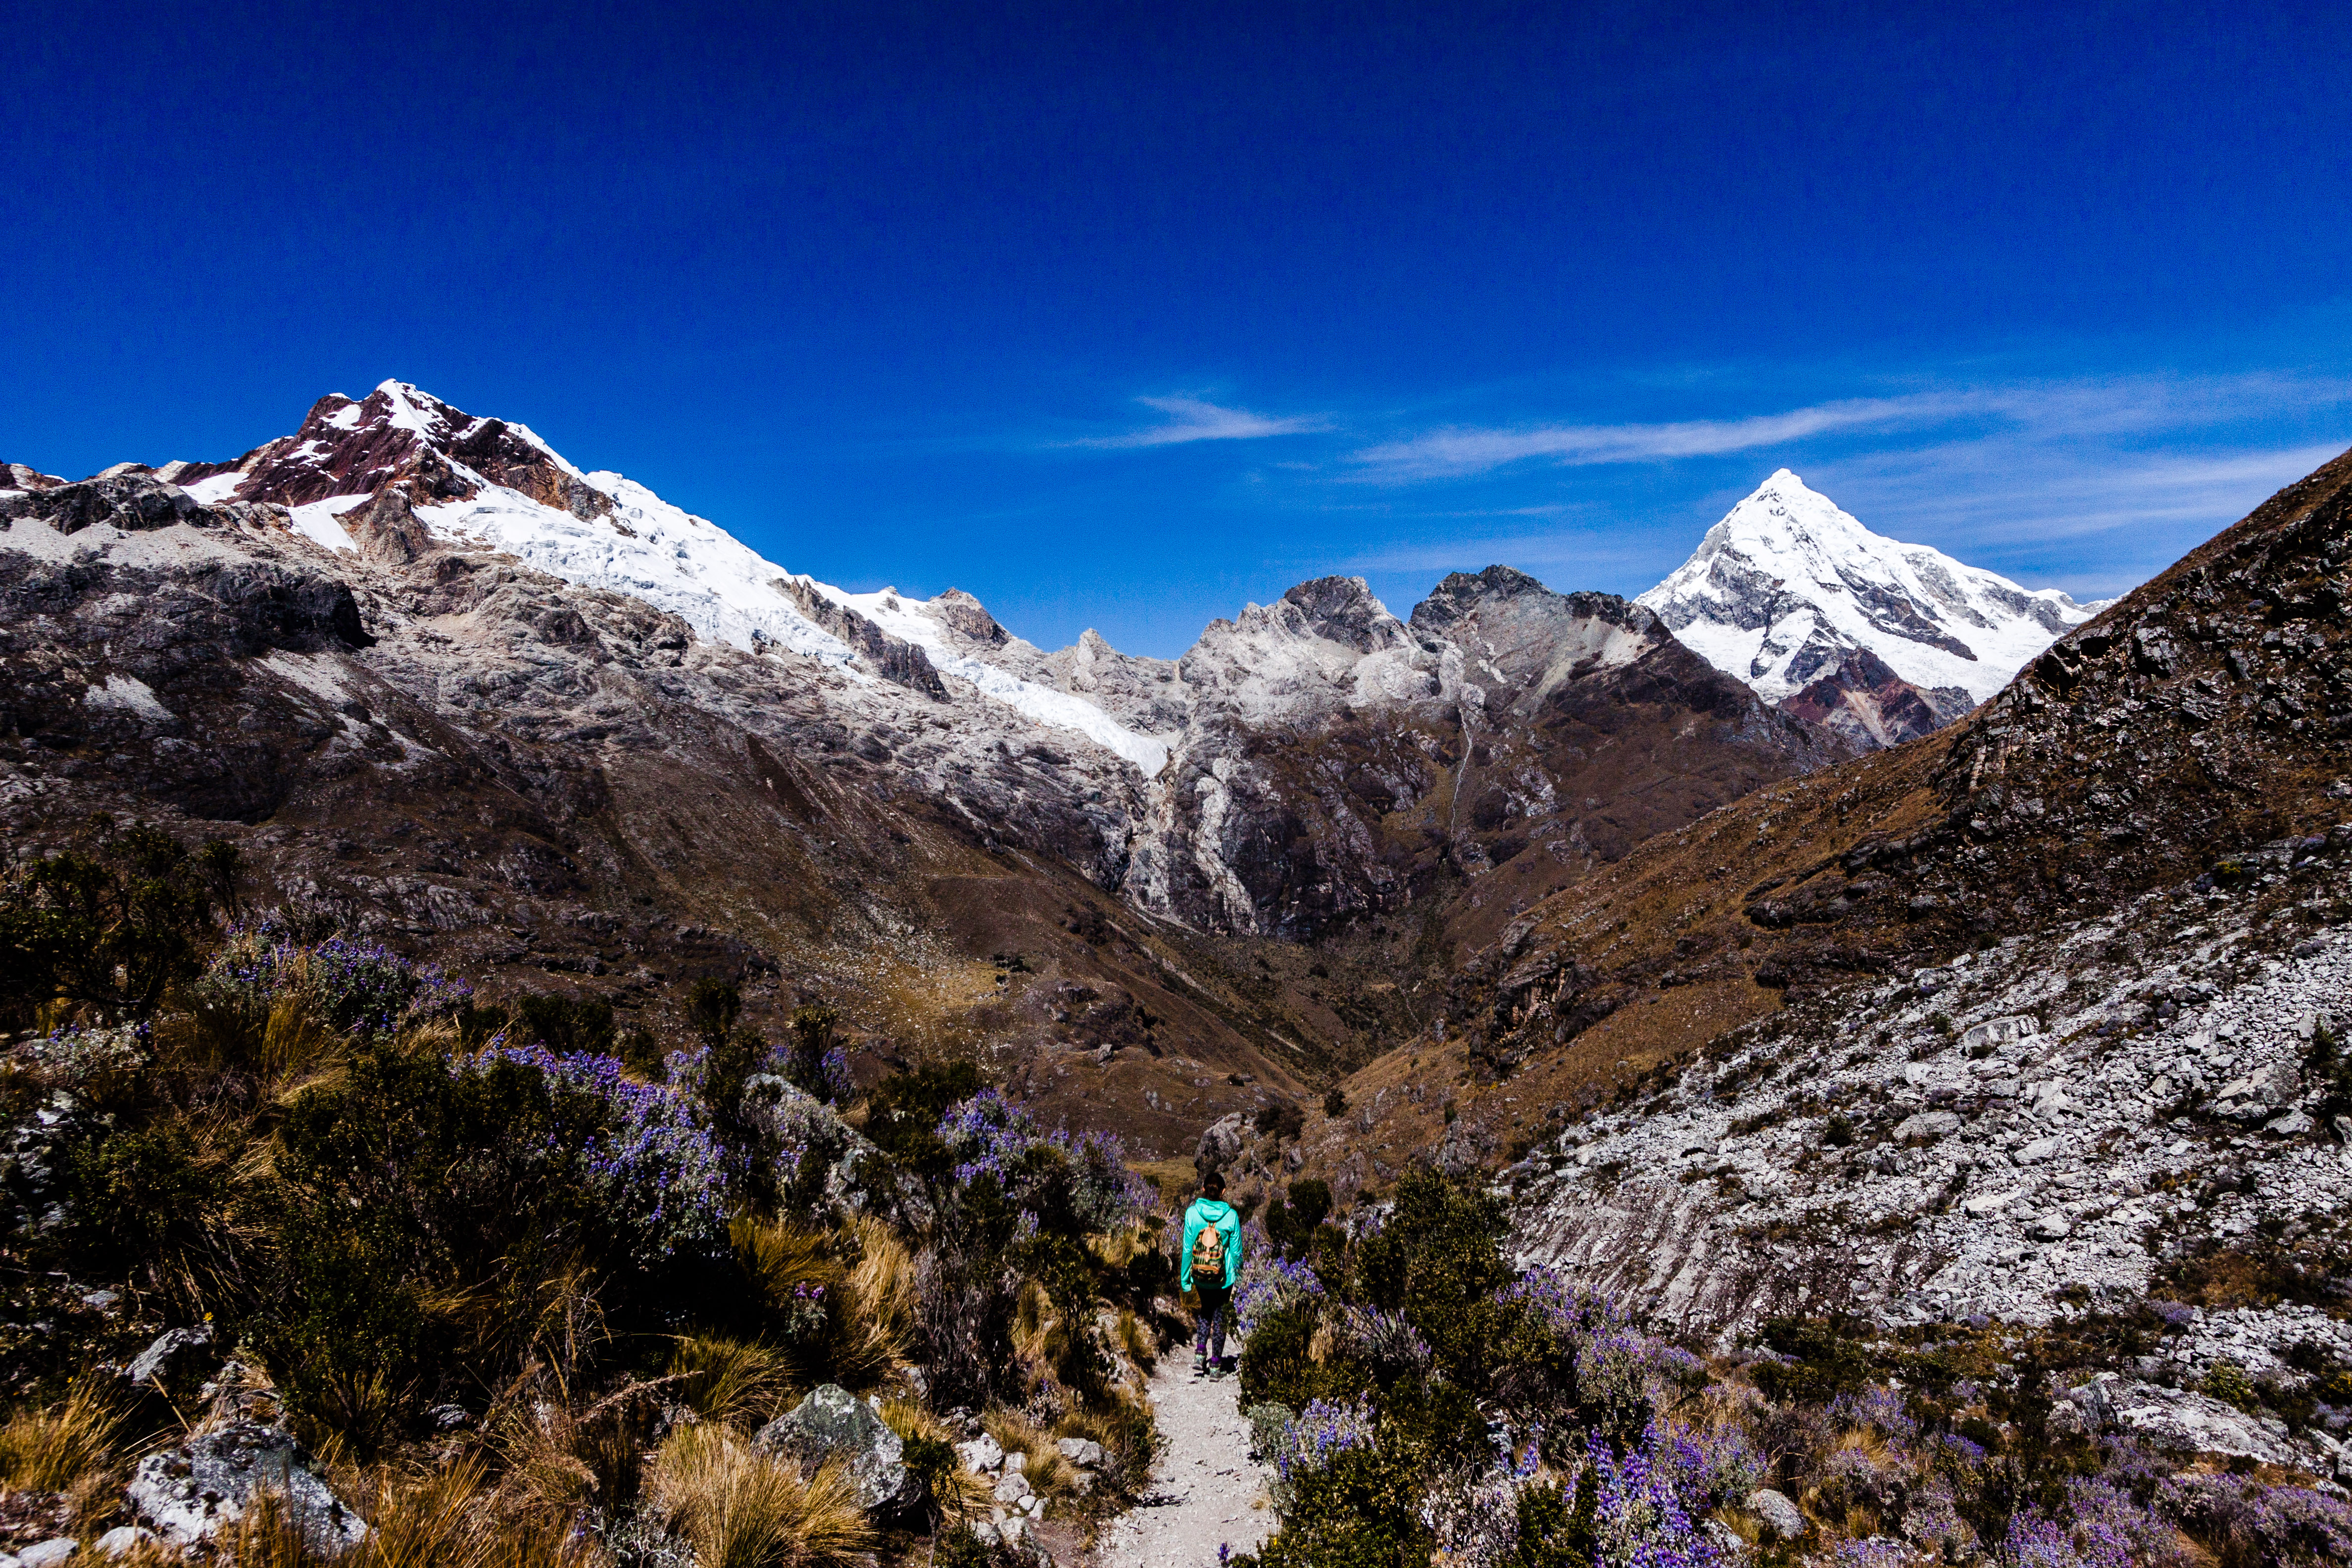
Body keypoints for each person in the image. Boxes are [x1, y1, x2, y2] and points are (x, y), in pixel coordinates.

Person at [1179, 1169, 1242, 1379]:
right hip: (1223, 1279)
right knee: (1221, 1316)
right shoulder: (1231, 1217)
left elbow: (1188, 1249)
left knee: (1205, 1310)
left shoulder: (1192, 1213)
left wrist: (1185, 1278)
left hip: (1200, 1276)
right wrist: (1238, 1275)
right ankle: (1215, 1366)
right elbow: (1236, 1254)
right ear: (1223, 1192)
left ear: (1203, 1189)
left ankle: (1199, 1355)